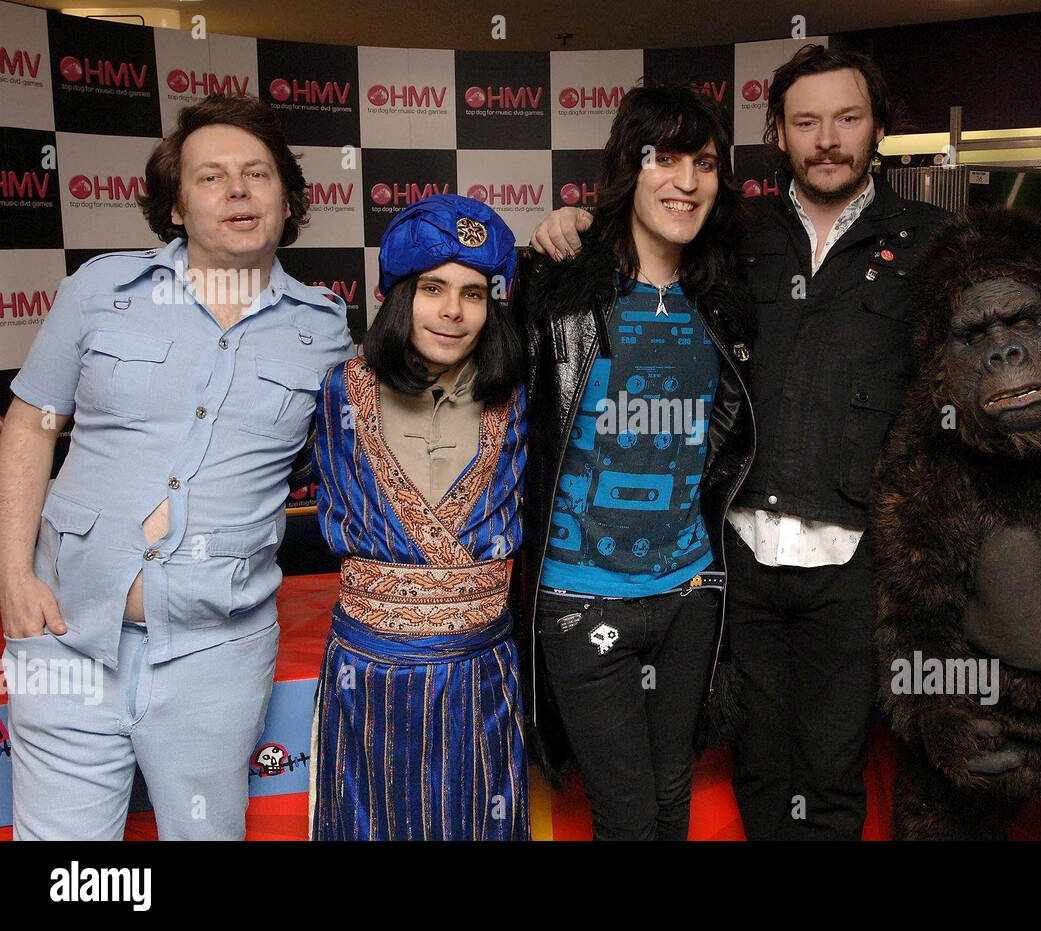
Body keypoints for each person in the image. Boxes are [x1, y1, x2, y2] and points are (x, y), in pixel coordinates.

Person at [529, 44, 1041, 840]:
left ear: (878, 129)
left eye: (846, 119)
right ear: (779, 135)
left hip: (856, 564)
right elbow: (644, 230)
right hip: (736, 561)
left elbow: (1037, 295)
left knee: (834, 775)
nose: (826, 138)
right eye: (806, 122)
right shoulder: (735, 235)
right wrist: (576, 223)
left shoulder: (936, 239)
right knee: (756, 766)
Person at [0, 93, 353, 840]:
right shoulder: (98, 291)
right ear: (175, 207)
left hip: (215, 655)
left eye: (258, 174)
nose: (237, 190)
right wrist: (11, 576)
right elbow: (29, 424)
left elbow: (398, 427)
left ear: (287, 200)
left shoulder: (325, 332)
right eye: (210, 176)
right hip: (65, 634)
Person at [512, 84, 756, 840]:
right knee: (623, 814)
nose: (686, 181)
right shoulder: (558, 283)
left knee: (671, 796)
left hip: (690, 591)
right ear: (629, 165)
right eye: (667, 158)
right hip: (582, 601)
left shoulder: (721, 295)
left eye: (706, 163)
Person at [309, 194, 529, 841]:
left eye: (474, 292)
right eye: (434, 287)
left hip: (479, 675)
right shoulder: (338, 389)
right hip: (369, 677)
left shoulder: (516, 398)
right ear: (400, 293)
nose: (454, 310)